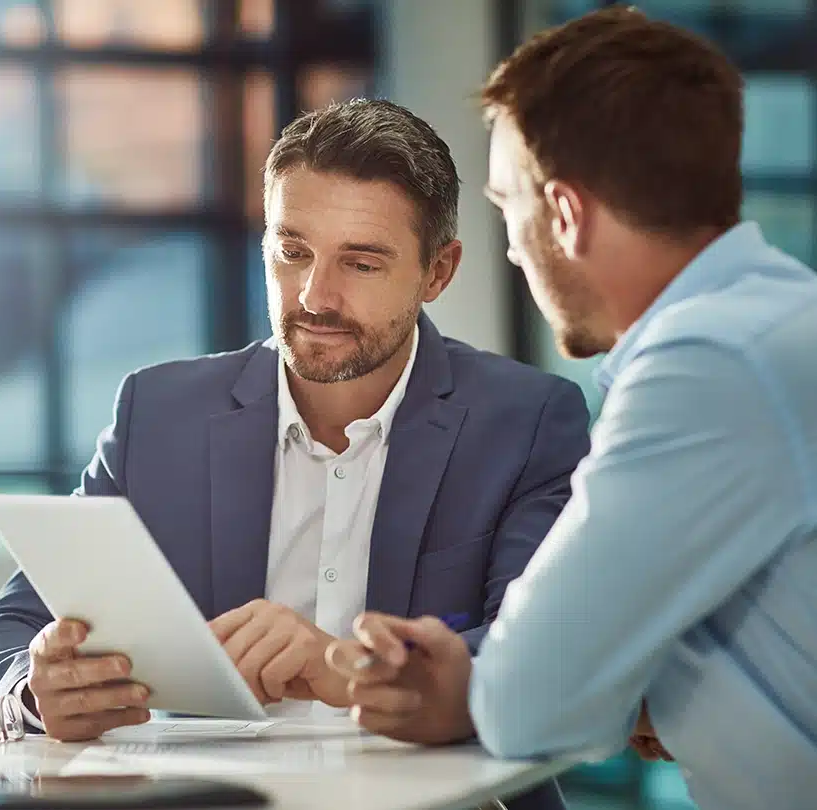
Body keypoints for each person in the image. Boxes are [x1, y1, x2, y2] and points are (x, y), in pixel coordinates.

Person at [0, 98, 587, 766]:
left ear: (437, 272)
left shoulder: (527, 421)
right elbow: (3, 632)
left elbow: (541, 654)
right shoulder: (159, 413)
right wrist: (33, 690)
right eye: (292, 252)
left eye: (361, 263)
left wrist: (345, 671)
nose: (315, 295)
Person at [326, 8, 817, 810]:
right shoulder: (772, 322)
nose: (512, 247)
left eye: (506, 207)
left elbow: (530, 703)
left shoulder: (706, 364)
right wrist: (642, 693)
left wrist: (474, 686)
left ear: (563, 213)